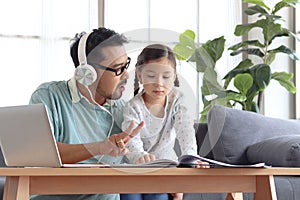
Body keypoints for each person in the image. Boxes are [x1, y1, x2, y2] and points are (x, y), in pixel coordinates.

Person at [29, 27, 144, 200]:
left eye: (126, 65)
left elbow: (144, 157)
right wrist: (99, 147)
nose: (126, 75)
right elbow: (41, 154)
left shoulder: (123, 110)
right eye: (118, 68)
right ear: (87, 73)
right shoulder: (48, 97)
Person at [120, 44, 209, 200]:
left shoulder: (177, 101)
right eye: (151, 76)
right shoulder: (133, 106)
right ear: (140, 76)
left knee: (159, 196)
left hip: (166, 171)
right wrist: (140, 156)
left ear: (174, 77)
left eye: (166, 77)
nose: (159, 83)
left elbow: (186, 132)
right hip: (137, 169)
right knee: (129, 195)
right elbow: (131, 139)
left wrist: (191, 159)